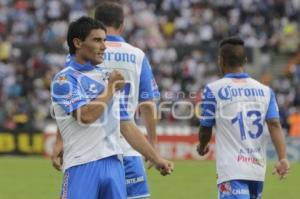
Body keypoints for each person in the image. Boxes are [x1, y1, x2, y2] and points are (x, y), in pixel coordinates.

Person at [51, 16, 173, 199]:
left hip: (114, 164)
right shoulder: (64, 79)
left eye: (104, 40)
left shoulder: (107, 76)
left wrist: (156, 158)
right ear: (77, 43)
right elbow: (84, 116)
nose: (104, 46)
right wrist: (110, 88)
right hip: (80, 165)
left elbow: (125, 124)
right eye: (97, 40)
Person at [196, 37, 289, 199]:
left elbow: (206, 127)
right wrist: (282, 158)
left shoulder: (213, 90)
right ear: (245, 60)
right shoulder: (266, 91)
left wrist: (202, 145)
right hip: (257, 170)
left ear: (221, 61)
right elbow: (274, 125)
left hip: (232, 169)